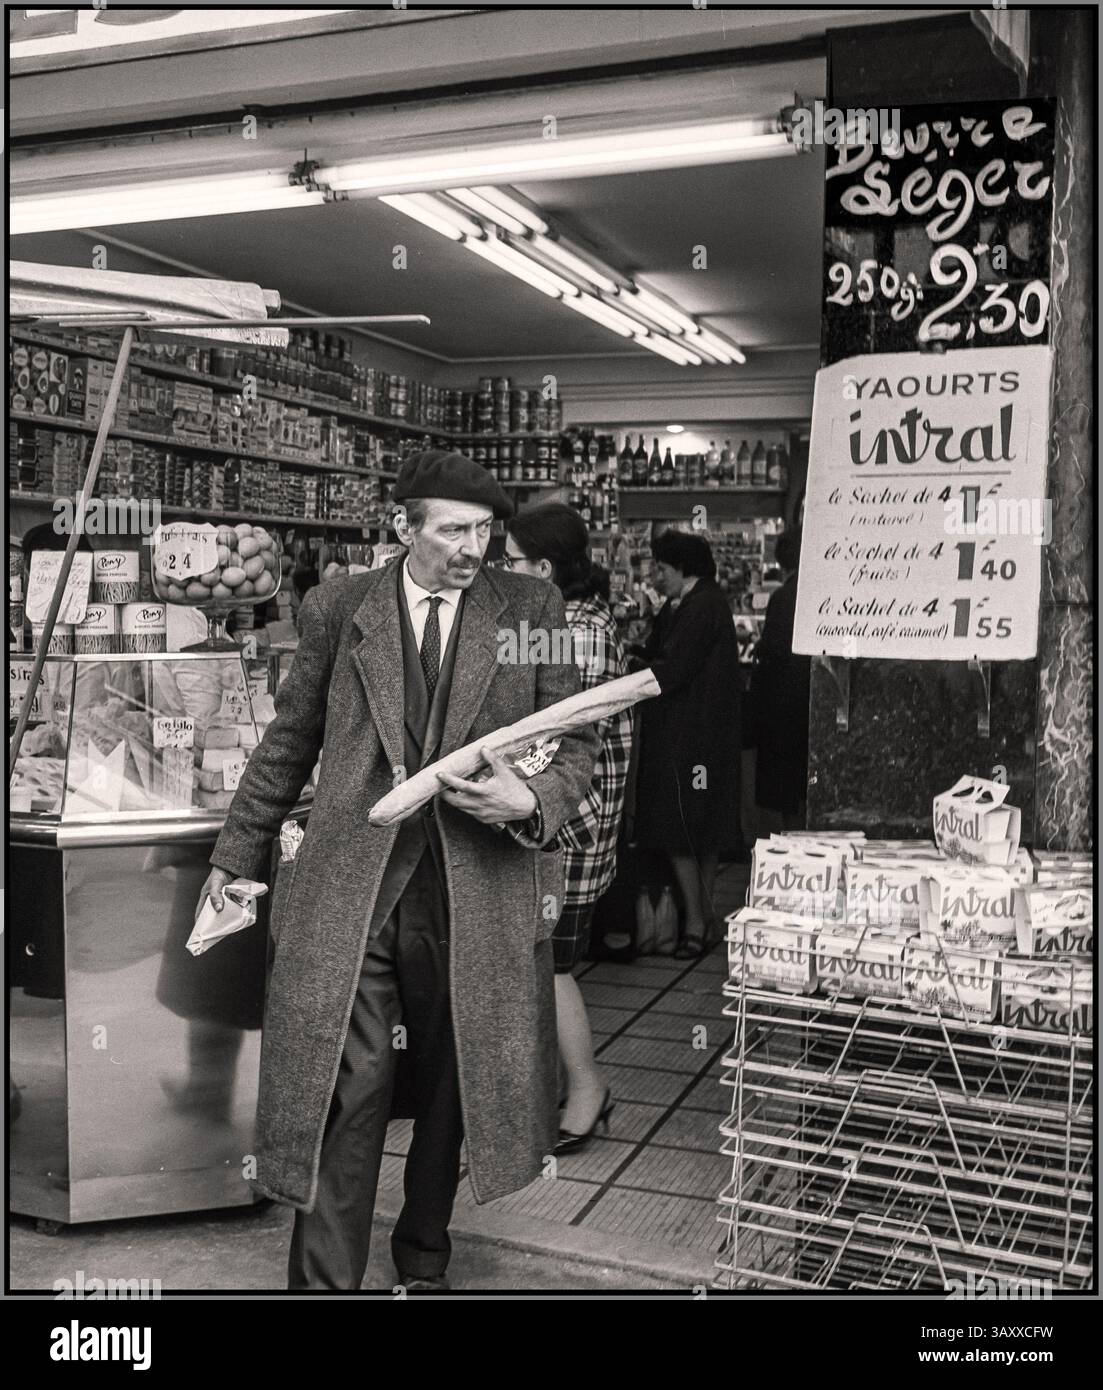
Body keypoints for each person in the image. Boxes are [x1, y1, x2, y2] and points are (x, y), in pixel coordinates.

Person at [196, 450, 600, 1292]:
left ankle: (423, 1255)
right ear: (401, 528)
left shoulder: (530, 606)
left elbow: (573, 740)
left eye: (485, 531)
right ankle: (323, 1283)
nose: (472, 548)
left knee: (457, 1080)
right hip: (354, 886)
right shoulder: (338, 608)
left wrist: (530, 800)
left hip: (476, 884)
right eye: (453, 530)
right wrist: (235, 856)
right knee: (346, 1086)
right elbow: (289, 739)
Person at [504, 503, 632, 1152]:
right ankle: (557, 1087)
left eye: (512, 561)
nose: (500, 570)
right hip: (561, 821)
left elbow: (544, 739)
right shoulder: (564, 621)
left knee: (549, 964)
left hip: (568, 825)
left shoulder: (574, 634)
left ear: (543, 568)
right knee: (540, 962)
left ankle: (586, 1089)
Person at [632, 529, 741, 959]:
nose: (656, 577)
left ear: (683, 568)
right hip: (703, 739)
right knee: (703, 830)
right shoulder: (694, 603)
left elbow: (671, 670)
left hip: (691, 739)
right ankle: (705, 918)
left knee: (681, 830)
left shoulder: (701, 607)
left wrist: (633, 668)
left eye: (661, 568)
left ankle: (696, 923)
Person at [743, 527, 810, 837]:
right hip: (813, 707)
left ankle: (795, 856)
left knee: (788, 803)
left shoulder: (784, 598)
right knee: (806, 795)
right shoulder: (819, 592)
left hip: (786, 711)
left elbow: (772, 659)